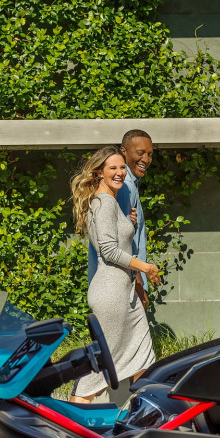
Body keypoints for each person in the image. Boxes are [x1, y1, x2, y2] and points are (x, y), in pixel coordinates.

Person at [70, 147, 161, 404]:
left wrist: (128, 225)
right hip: (111, 294)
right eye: (113, 168)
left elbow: (113, 242)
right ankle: (70, 424)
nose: (120, 172)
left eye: (122, 167)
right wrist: (145, 267)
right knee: (101, 367)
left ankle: (145, 415)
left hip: (125, 295)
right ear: (99, 173)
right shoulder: (104, 202)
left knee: (144, 358)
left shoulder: (108, 201)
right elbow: (108, 252)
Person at [87, 129, 154, 308]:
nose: (146, 159)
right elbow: (122, 245)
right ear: (123, 152)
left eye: (149, 154)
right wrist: (139, 285)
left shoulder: (128, 184)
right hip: (120, 284)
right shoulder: (125, 186)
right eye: (140, 153)